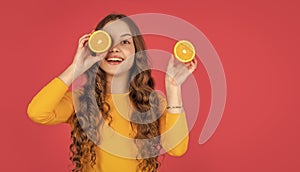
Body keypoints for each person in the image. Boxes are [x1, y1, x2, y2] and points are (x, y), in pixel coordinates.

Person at [27, 14, 197, 172]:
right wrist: (76, 68)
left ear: (137, 52)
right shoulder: (79, 101)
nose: (114, 48)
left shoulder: (152, 102)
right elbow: (37, 112)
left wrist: (174, 88)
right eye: (108, 41)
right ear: (96, 47)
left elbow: (177, 149)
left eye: (125, 42)